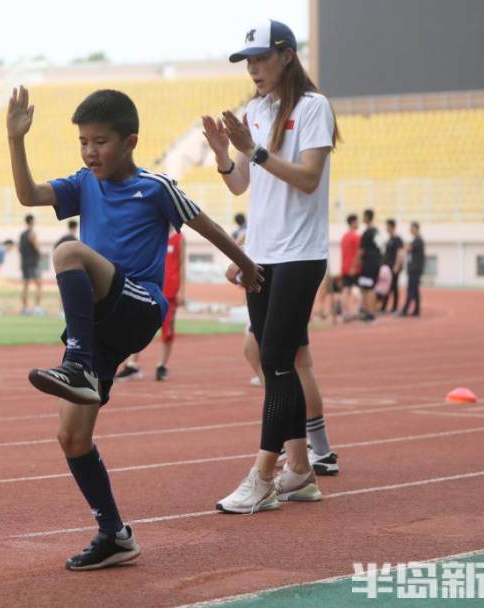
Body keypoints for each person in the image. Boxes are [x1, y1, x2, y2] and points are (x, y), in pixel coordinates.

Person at [7, 86, 262, 569]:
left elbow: (205, 225)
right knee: (72, 437)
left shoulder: (156, 187)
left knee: (66, 251)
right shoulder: (85, 183)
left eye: (99, 141)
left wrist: (247, 266)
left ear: (130, 141)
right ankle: (115, 534)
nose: (89, 151)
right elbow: (28, 194)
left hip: (142, 303)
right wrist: (16, 140)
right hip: (103, 321)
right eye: (83, 141)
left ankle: (76, 364)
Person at [203, 18, 341, 513]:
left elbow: (306, 179)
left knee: (277, 361)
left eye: (261, 58)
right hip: (262, 256)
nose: (254, 69)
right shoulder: (254, 110)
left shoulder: (313, 107)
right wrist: (225, 156)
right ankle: (300, 470)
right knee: (274, 360)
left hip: (300, 255)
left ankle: (264, 474)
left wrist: (253, 151)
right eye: (248, 61)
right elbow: (242, 184)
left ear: (287, 54)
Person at [115, 227, 186, 381]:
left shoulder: (179, 238)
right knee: (138, 325)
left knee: (167, 331)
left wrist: (182, 291)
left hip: (171, 290)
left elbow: (182, 265)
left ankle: (162, 365)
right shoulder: (153, 232)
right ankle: (133, 364)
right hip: (151, 287)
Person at [353, 208, 381, 321]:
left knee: (366, 287)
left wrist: (355, 264)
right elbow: (380, 247)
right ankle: (372, 312)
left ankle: (368, 312)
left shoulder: (366, 233)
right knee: (372, 287)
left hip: (368, 263)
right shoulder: (377, 232)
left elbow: (361, 250)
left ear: (367, 218)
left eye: (364, 216)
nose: (362, 218)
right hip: (376, 263)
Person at [397, 221, 425, 317]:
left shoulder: (418, 241)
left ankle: (405, 310)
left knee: (411, 290)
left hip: (415, 269)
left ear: (416, 229)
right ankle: (416, 310)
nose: (410, 230)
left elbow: (407, 248)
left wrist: (405, 246)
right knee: (415, 290)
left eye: (412, 228)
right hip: (414, 269)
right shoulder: (416, 240)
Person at [19, 214, 44, 315]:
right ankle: (37, 308)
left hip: (25, 263)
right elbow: (37, 247)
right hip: (33, 263)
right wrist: (41, 256)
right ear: (32, 222)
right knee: (39, 285)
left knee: (25, 286)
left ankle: (25, 308)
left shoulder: (22, 234)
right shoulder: (32, 233)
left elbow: (19, 249)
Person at [379, 219, 405, 313]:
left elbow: (400, 253)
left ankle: (394, 308)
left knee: (394, 287)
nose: (386, 228)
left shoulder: (397, 239)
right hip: (387, 268)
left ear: (392, 227)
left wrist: (397, 266)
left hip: (394, 267)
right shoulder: (389, 239)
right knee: (386, 287)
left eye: (388, 226)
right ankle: (384, 307)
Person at [340, 213, 361, 318]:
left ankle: (345, 312)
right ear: (353, 222)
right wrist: (355, 266)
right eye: (357, 221)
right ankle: (357, 311)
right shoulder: (356, 237)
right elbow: (359, 253)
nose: (358, 223)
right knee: (356, 289)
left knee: (345, 290)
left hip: (345, 267)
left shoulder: (344, 236)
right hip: (354, 268)